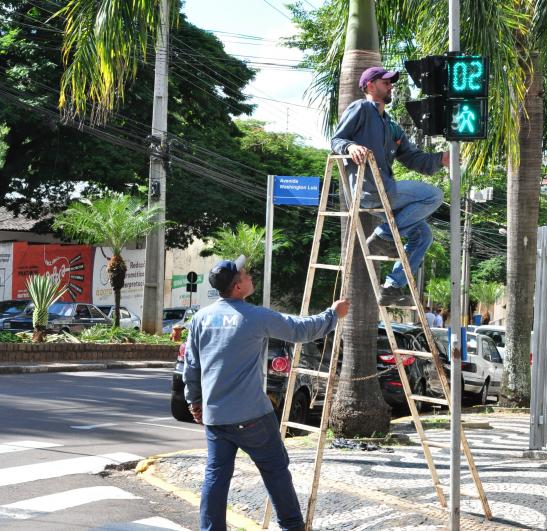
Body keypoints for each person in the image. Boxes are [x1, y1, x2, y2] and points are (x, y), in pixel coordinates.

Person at [183, 255, 350, 531]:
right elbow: (301, 330)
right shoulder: (255, 317)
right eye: (246, 275)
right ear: (237, 287)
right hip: (253, 418)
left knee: (215, 477)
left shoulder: (201, 318)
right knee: (275, 472)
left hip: (216, 418)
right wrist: (333, 314)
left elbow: (192, 366)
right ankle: (292, 526)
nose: (250, 277)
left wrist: (195, 402)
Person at [331, 66, 448, 306]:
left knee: (423, 235)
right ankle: (383, 236)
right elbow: (337, 140)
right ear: (370, 86)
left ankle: (392, 286)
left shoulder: (391, 124)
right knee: (434, 195)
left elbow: (413, 157)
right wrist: (350, 147)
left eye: (391, 82)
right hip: (369, 188)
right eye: (385, 82)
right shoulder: (361, 108)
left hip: (385, 191)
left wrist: (440, 160)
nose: (390, 85)